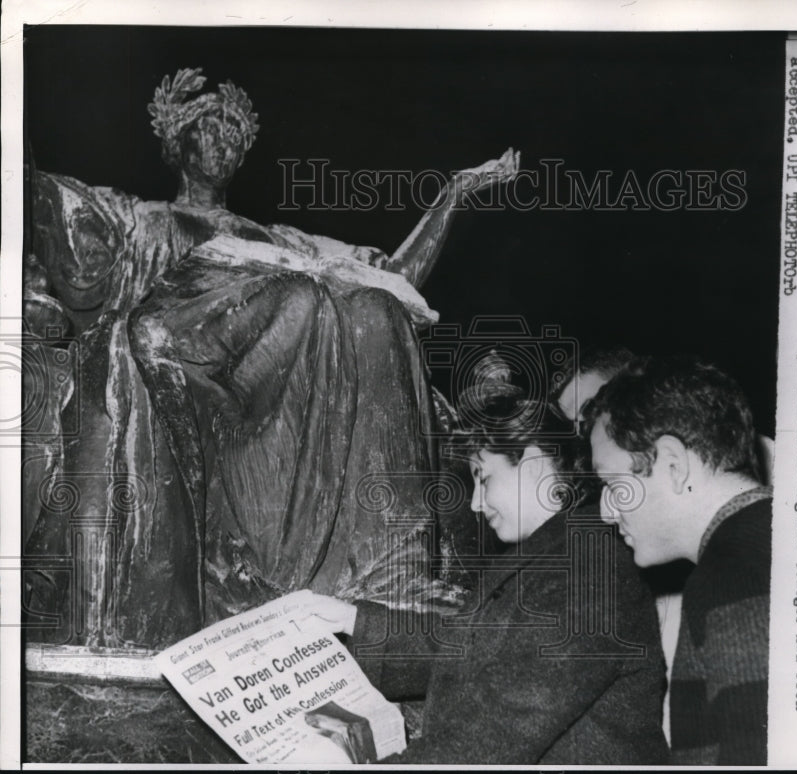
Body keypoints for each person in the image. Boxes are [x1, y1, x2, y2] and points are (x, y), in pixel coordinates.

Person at [24, 67, 517, 648]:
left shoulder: (276, 240)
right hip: (194, 397)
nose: (224, 141)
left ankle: (389, 578)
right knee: (303, 299)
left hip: (278, 400)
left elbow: (394, 278)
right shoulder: (140, 221)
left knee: (374, 313)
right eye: (211, 127)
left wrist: (452, 194)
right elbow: (50, 212)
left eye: (235, 133)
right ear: (177, 142)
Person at [301, 394, 671, 765]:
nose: (476, 503)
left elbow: (496, 732)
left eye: (484, 477)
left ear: (533, 464)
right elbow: (467, 645)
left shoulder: (586, 566)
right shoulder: (557, 554)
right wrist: (352, 620)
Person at [586, 355, 771, 765]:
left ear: (672, 464)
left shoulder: (732, 575)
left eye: (613, 483)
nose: (606, 511)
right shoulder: (774, 541)